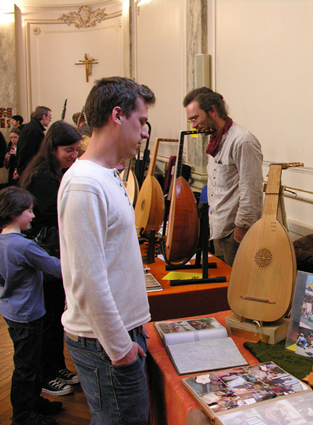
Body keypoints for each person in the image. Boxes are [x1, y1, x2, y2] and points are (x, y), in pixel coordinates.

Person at [58, 76, 155, 424]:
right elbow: (88, 281)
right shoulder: (86, 183)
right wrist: (120, 350)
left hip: (116, 336)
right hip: (105, 344)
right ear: (117, 115)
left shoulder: (105, 175)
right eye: (141, 121)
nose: (144, 133)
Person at [20, 121, 82, 397]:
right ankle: (46, 375)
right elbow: (56, 214)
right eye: (69, 150)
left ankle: (56, 367)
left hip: (53, 253)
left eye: (76, 150)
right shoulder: (42, 177)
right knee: (47, 319)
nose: (74, 155)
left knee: (56, 314)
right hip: (46, 255)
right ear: (53, 148)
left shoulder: (54, 170)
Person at [0, 186, 62, 425]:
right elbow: (57, 269)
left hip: (13, 311)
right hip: (28, 314)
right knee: (26, 367)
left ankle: (34, 403)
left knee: (30, 362)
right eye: (29, 211)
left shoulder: (5, 242)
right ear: (16, 214)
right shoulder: (24, 246)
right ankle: (23, 416)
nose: (33, 216)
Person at [183, 87, 263, 266]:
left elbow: (252, 190)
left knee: (239, 289)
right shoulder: (215, 141)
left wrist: (241, 229)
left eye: (195, 118)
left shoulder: (242, 140)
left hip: (236, 234)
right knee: (222, 289)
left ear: (212, 111)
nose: (193, 125)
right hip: (219, 230)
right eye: (191, 120)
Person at [16, 106, 52, 179]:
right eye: (49, 117)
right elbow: (27, 152)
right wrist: (21, 170)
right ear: (44, 116)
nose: (50, 120)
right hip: (30, 170)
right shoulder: (33, 129)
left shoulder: (33, 127)